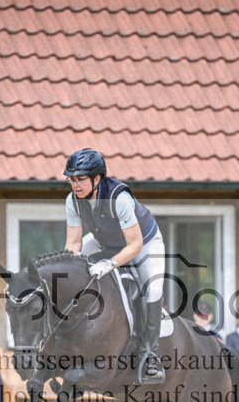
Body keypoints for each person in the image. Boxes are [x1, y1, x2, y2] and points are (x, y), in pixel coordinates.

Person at [62, 148, 166, 383]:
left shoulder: (119, 198)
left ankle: (149, 355)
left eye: (80, 179)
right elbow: (73, 242)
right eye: (71, 179)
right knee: (72, 270)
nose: (75, 185)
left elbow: (134, 245)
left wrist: (109, 264)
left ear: (97, 178)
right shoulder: (73, 201)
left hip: (144, 243)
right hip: (103, 241)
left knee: (153, 288)